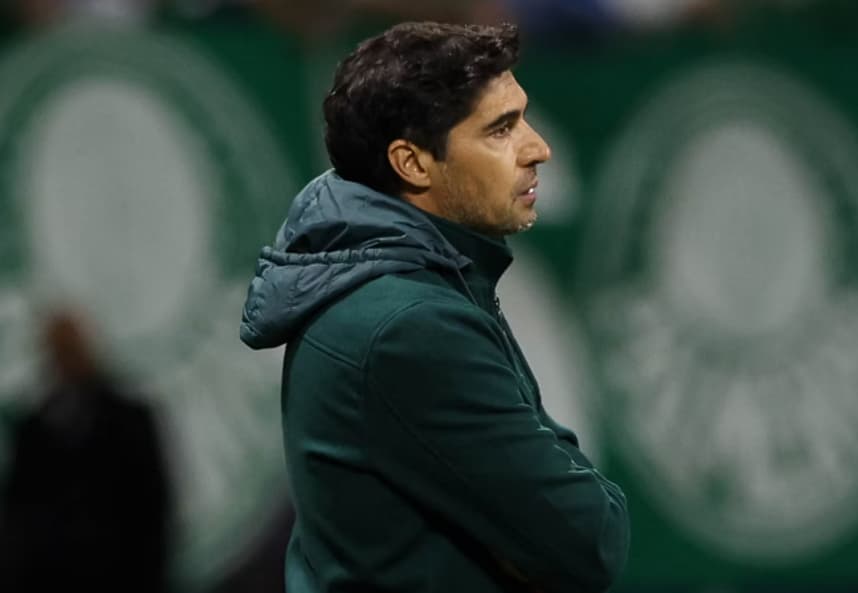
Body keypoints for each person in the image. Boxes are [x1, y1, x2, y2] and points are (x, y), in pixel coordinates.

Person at [240, 21, 629, 593]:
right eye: (501, 129)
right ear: (413, 164)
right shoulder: (411, 325)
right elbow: (591, 536)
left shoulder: (382, 286)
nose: (538, 148)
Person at [0, 309, 171, 593]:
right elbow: (19, 518)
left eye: (71, 347)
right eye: (59, 350)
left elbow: (153, 511)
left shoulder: (131, 422)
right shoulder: (33, 430)